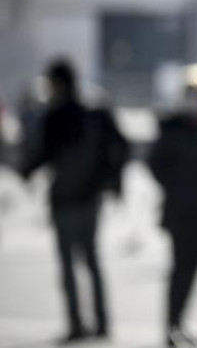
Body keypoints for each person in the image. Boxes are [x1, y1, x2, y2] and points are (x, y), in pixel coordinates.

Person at [19, 58, 129, 343]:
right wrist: (112, 181)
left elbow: (41, 155)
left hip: (65, 200)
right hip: (90, 198)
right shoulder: (95, 112)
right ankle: (102, 322)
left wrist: (24, 172)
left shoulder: (55, 116)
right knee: (91, 261)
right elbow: (121, 145)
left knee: (69, 265)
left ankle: (76, 323)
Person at [147, 64, 197, 347]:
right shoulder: (174, 128)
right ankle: (171, 325)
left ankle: (179, 322)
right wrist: (178, 184)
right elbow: (156, 165)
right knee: (180, 268)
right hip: (181, 209)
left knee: (193, 268)